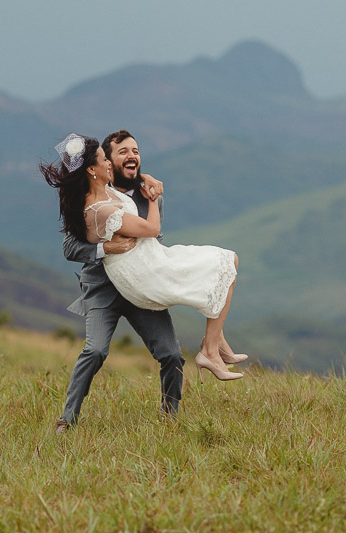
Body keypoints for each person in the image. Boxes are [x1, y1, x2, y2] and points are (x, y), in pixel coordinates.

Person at [40, 131, 244, 431]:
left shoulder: (148, 190)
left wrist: (149, 194)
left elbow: (153, 238)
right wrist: (105, 247)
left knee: (172, 354)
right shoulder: (92, 197)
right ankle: (67, 419)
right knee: (95, 350)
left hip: (142, 285)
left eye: (135, 151)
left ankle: (169, 419)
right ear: (106, 161)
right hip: (102, 289)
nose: (131, 156)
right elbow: (70, 247)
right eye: (122, 152)